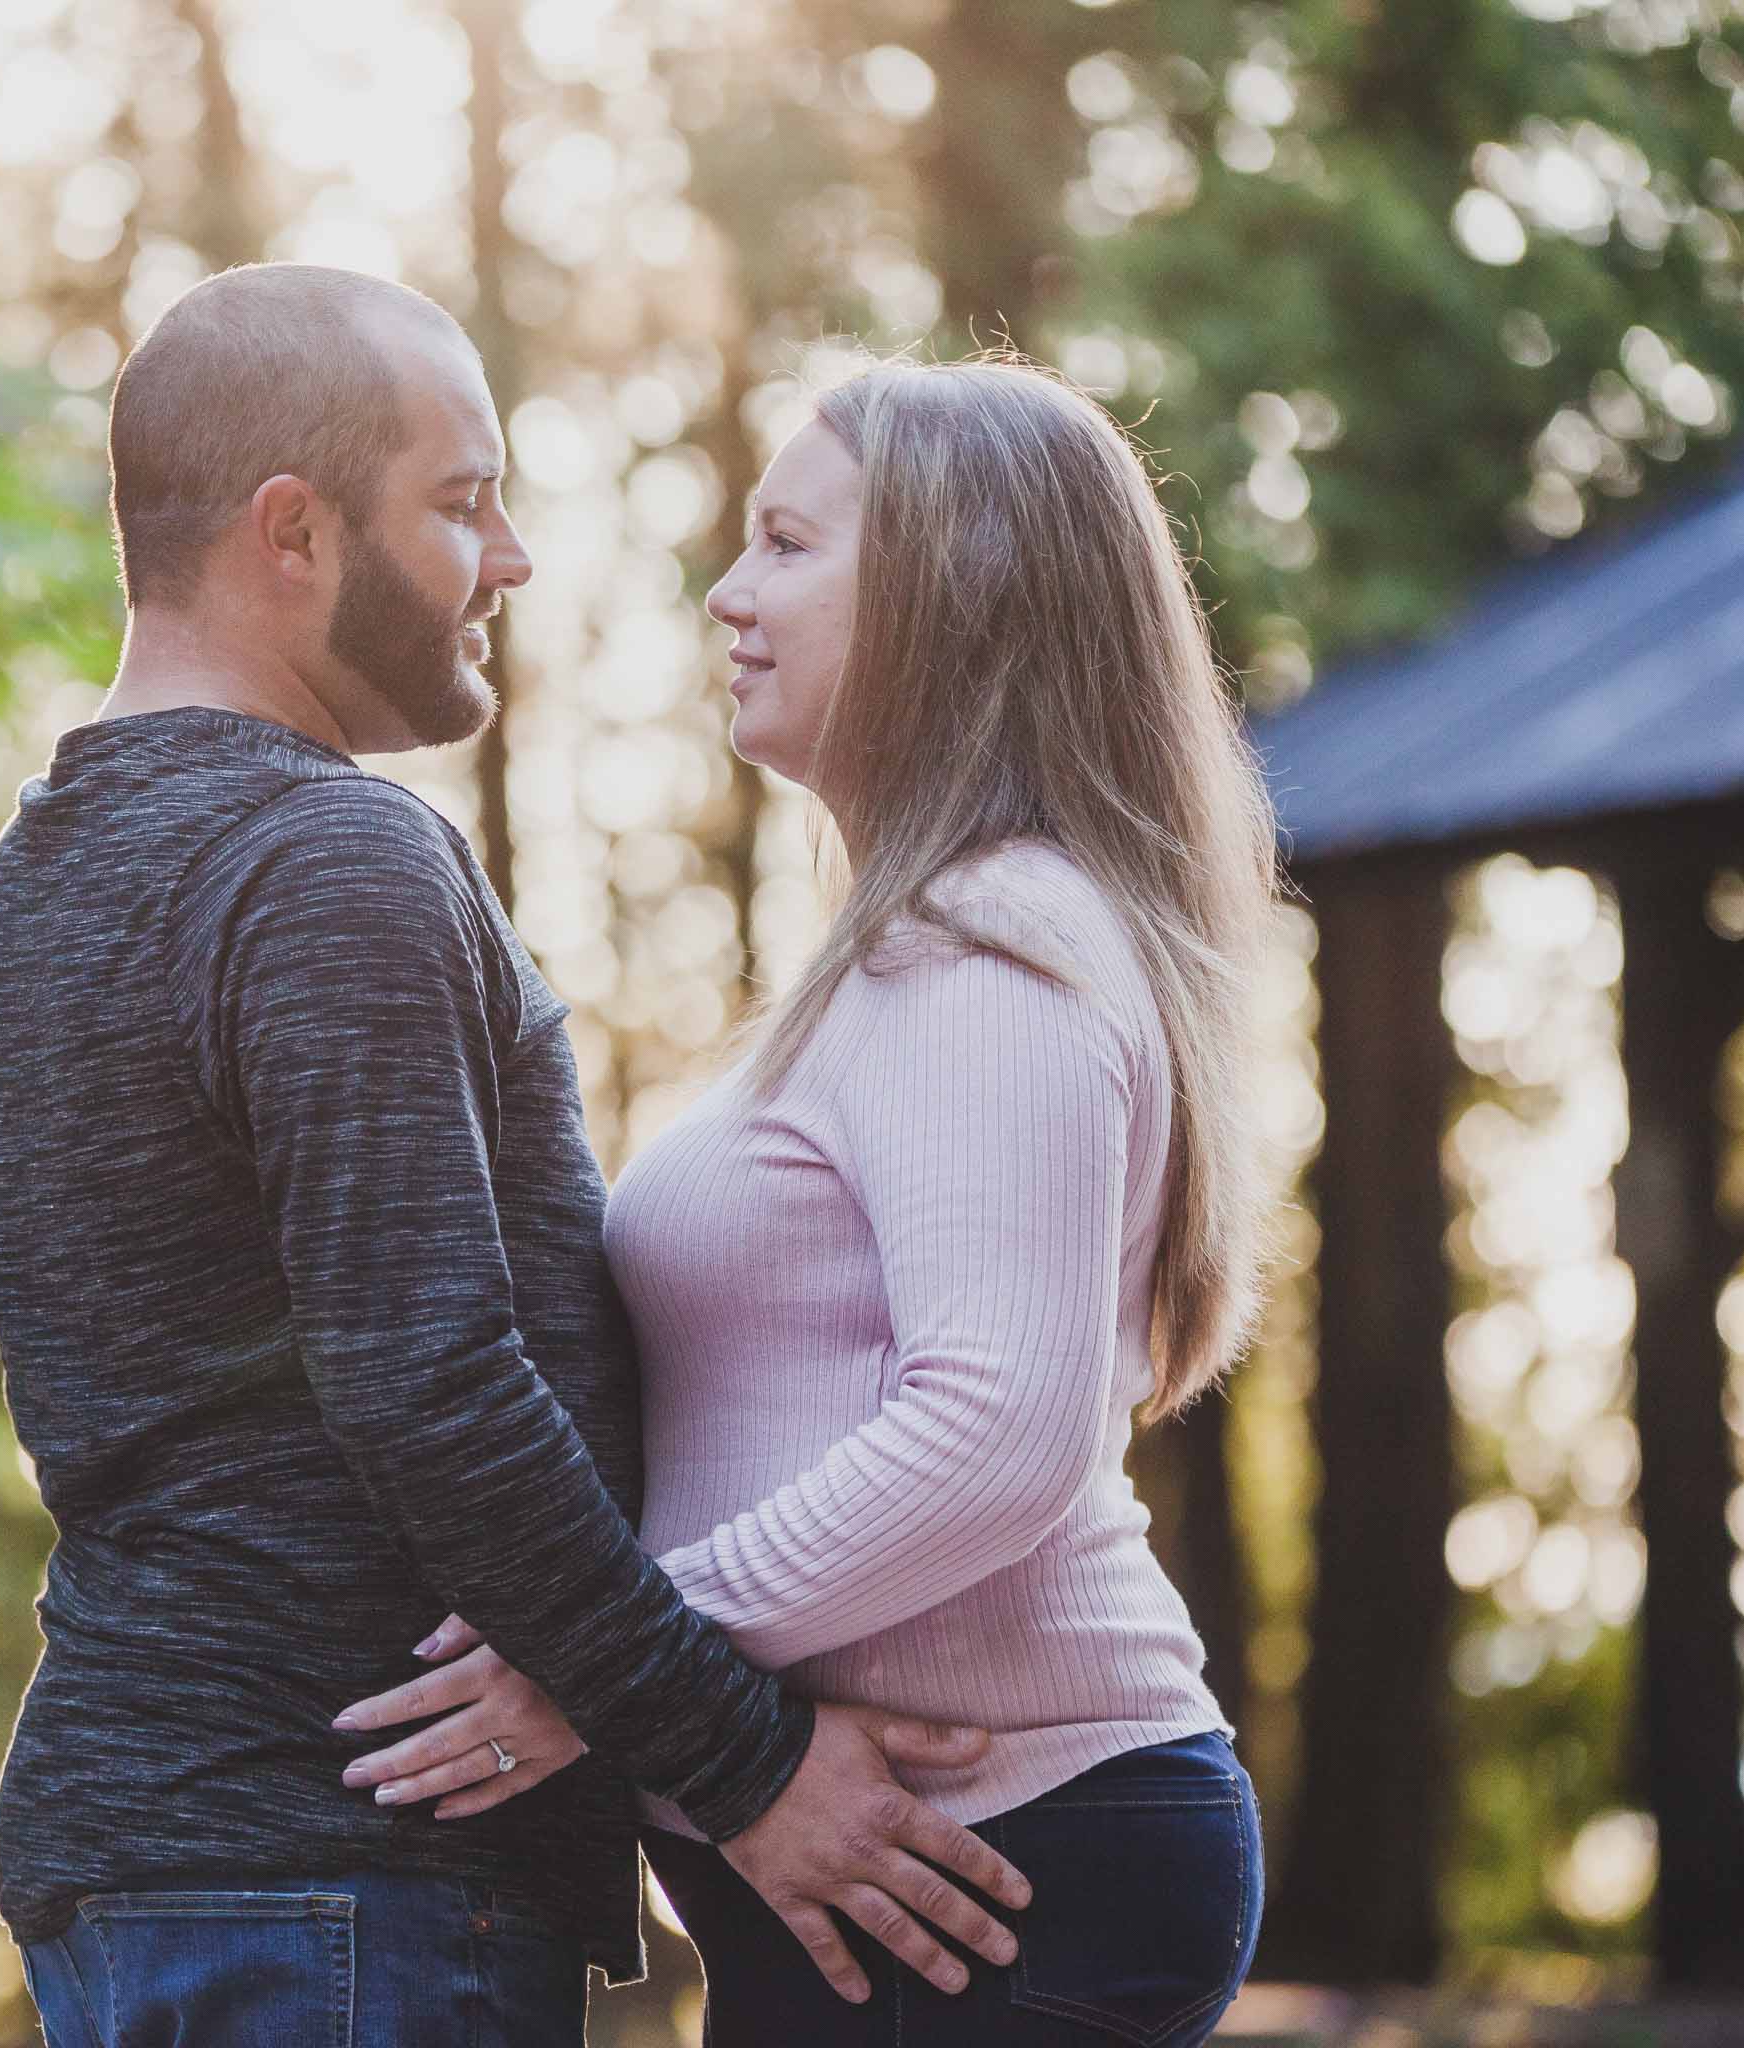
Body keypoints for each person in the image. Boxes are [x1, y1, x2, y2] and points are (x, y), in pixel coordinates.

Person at [0, 267, 1032, 2046]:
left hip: (171, 1853)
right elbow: (428, 1378)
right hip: (347, 1869)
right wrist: (750, 1765)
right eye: (461, 503)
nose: (510, 559)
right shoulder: (328, 857)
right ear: (294, 533)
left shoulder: (37, 876)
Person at [339, 357, 1278, 2044]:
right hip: (929, 1867)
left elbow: (998, 1422)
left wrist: (612, 1661)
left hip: (999, 1855)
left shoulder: (993, 942)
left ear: (953, 591)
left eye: (786, 544)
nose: (728, 592)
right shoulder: (922, 945)